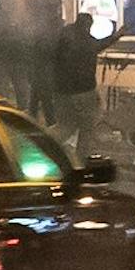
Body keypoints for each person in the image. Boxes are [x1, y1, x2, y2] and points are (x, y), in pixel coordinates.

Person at [53, 9, 102, 159]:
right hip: (84, 91)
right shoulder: (87, 41)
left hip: (61, 91)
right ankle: (81, 160)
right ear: (88, 26)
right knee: (87, 127)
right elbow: (99, 45)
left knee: (65, 126)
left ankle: (43, 146)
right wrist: (117, 36)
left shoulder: (64, 36)